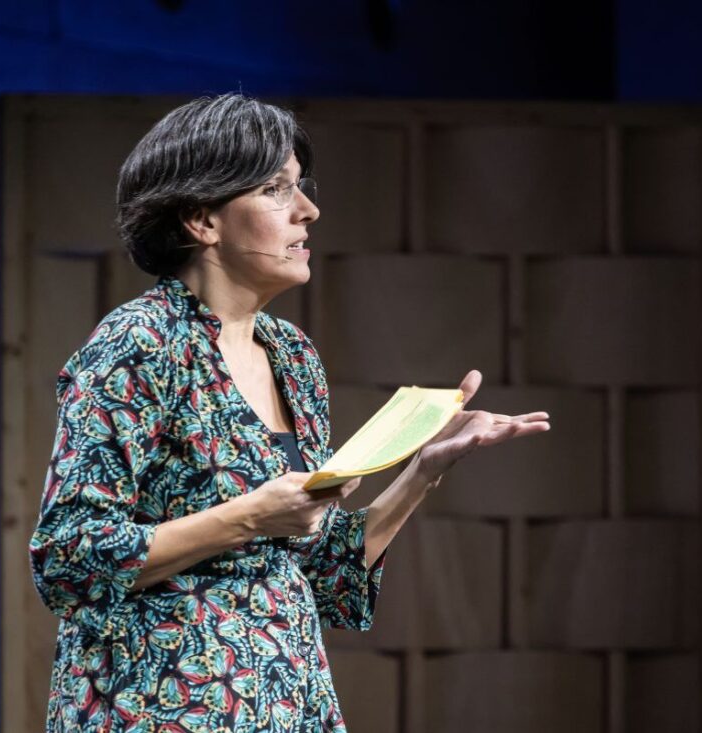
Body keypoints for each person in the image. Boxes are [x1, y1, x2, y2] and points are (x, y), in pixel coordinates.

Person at [28, 92, 551, 733]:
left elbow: (321, 570)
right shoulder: (139, 343)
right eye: (277, 190)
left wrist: (422, 472)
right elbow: (68, 558)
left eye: (301, 186)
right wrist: (249, 516)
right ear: (202, 220)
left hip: (286, 699)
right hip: (161, 707)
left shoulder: (292, 355)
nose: (308, 210)